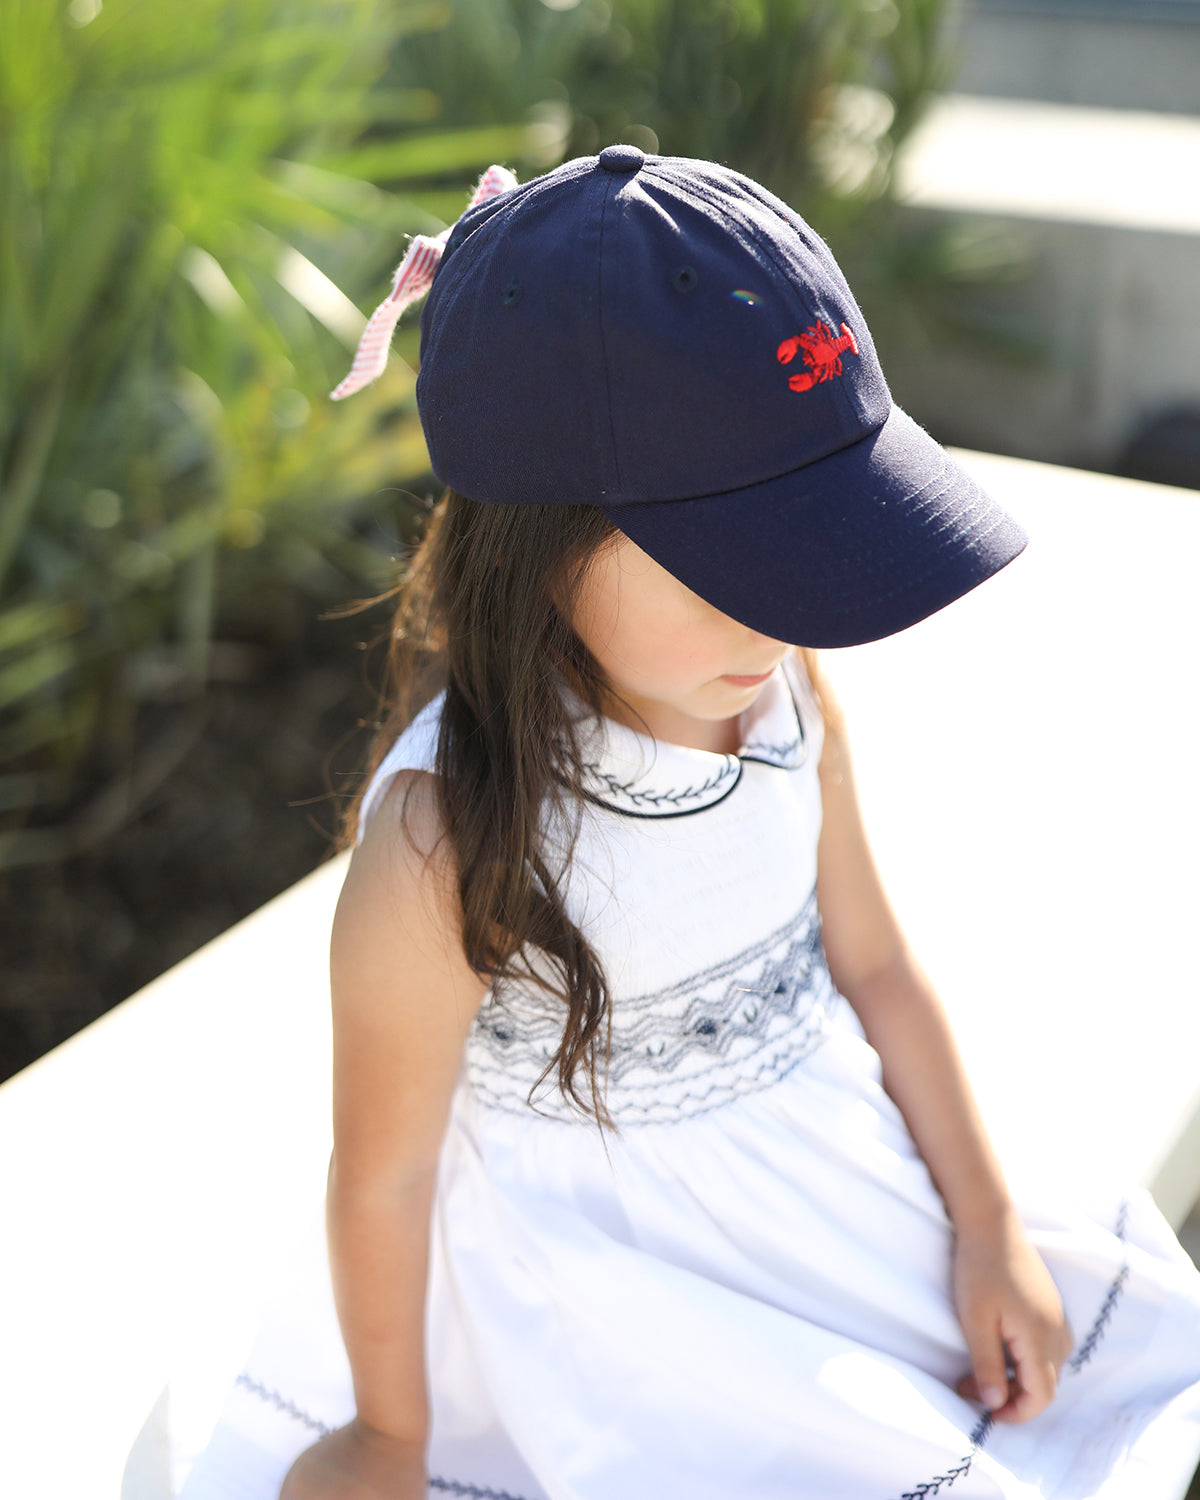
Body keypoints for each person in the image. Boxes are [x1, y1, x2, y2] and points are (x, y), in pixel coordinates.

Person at [180, 150, 1200, 1500]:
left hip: (833, 1201)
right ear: (539, 535)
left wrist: (987, 1224)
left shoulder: (783, 700)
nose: (780, 617)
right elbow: (386, 1175)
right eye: (738, 564)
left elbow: (877, 968)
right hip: (622, 1315)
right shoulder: (445, 847)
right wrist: (394, 1435)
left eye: (816, 547)